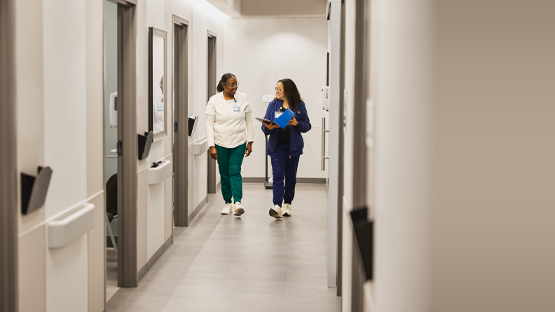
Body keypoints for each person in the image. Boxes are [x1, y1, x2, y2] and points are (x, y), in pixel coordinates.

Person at [261, 79, 311, 218]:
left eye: (280, 89)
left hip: (293, 148)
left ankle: (287, 205)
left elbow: (307, 125)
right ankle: (277, 206)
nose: (277, 91)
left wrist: (297, 123)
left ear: (288, 90)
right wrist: (268, 127)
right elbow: (264, 126)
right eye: (276, 88)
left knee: (290, 178)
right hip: (277, 147)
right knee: (277, 176)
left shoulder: (299, 105)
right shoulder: (273, 105)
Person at [206, 73, 254, 216]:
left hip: (238, 141)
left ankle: (238, 203)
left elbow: (248, 121)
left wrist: (250, 141)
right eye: (231, 85)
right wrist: (211, 145)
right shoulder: (214, 100)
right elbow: (209, 125)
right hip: (220, 142)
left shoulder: (242, 98)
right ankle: (228, 203)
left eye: (236, 84)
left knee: (235, 171)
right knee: (224, 174)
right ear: (223, 85)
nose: (235, 87)